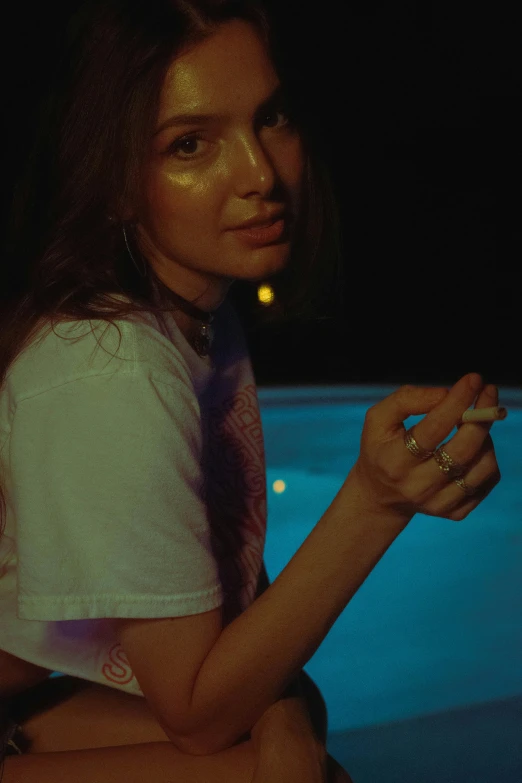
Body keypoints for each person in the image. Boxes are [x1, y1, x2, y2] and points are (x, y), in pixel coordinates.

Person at [0, 1, 501, 781]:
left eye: (272, 119)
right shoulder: (112, 371)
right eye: (191, 144)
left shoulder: (198, 316)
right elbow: (201, 714)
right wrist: (375, 500)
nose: (260, 174)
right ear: (118, 181)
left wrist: (290, 726)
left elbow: (246, 632)